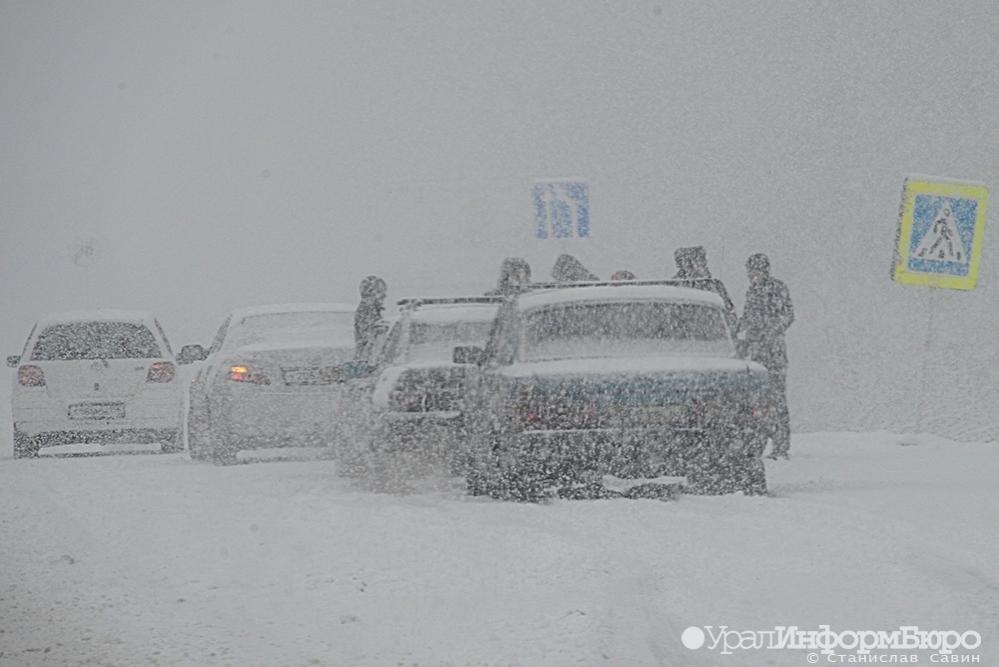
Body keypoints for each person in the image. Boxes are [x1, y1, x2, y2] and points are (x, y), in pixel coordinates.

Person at [738, 253, 794, 459]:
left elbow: (787, 316)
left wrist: (767, 332)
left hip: (773, 354)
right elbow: (749, 317)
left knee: (776, 399)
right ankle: (761, 441)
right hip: (756, 354)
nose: (750, 275)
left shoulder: (777, 288)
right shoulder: (752, 291)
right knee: (759, 401)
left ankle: (780, 444)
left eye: (752, 270)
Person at [354, 275, 387, 360]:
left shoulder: (371, 310)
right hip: (368, 359)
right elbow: (368, 337)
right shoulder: (367, 311)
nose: (385, 296)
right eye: (380, 292)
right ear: (370, 292)